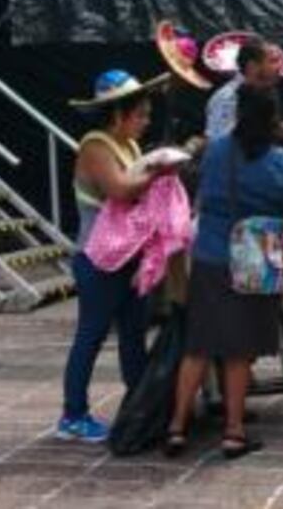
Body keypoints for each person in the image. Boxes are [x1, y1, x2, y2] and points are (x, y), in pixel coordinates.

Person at [166, 86, 283, 459]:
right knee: (239, 351)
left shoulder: (215, 150)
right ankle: (234, 433)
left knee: (198, 346)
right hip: (252, 261)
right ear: (273, 119)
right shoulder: (279, 161)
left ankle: (176, 428)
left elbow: (202, 187)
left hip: (209, 256)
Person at [57, 70, 169, 442]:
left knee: (134, 334)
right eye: (140, 115)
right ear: (118, 114)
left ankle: (139, 407)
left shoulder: (131, 147)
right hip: (97, 260)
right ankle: (73, 415)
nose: (146, 121)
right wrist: (158, 171)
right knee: (91, 335)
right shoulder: (95, 146)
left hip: (128, 257)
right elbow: (121, 190)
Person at [205, 37, 283, 141]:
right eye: (272, 61)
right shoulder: (227, 98)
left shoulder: (267, 94)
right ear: (252, 67)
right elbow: (219, 141)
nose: (279, 66)